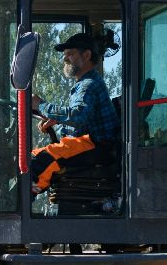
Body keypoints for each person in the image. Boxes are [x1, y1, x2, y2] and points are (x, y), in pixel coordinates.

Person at [28, 31, 118, 194]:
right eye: (65, 55)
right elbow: (82, 117)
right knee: (31, 158)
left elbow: (78, 116)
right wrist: (57, 120)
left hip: (95, 145)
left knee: (40, 163)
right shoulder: (85, 83)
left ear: (86, 55)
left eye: (70, 54)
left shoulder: (89, 84)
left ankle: (25, 199)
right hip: (87, 142)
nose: (65, 58)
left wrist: (40, 105)